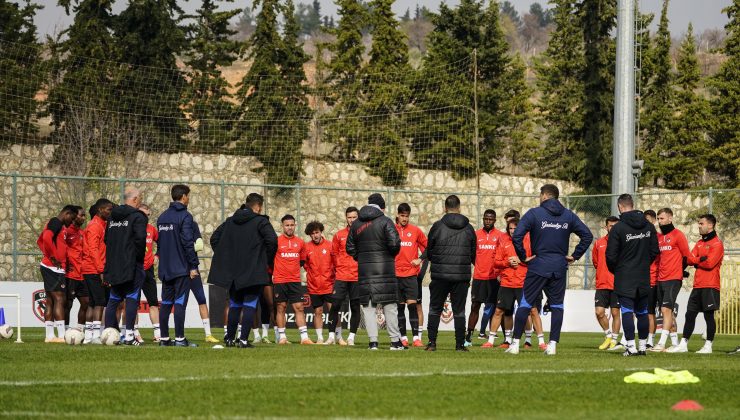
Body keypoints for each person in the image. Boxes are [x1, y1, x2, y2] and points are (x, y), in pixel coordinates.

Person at [507, 184, 593, 355]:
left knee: (525, 303)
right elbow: (587, 235)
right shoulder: (568, 215)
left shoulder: (535, 213)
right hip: (559, 268)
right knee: (557, 306)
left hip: (538, 265)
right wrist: (574, 255)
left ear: (545, 196)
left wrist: (523, 256)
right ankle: (552, 345)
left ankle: (515, 344)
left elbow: (517, 235)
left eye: (540, 195)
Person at [209, 193, 277, 347]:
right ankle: (244, 340)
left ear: (246, 204)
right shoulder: (261, 221)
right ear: (258, 207)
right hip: (253, 270)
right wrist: (265, 261)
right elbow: (272, 241)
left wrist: (226, 258)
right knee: (250, 304)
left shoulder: (230, 221)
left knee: (235, 304)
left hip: (233, 272)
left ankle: (230, 339)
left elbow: (214, 239)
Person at [346, 193, 403, 350]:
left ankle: (373, 342)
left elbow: (349, 248)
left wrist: (362, 258)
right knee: (389, 306)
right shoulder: (385, 221)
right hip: (385, 270)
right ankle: (395, 342)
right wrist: (388, 256)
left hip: (365, 271)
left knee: (369, 307)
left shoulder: (356, 224)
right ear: (382, 207)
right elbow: (395, 244)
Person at [605, 194, 660, 356]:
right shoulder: (649, 227)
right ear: (633, 205)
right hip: (643, 276)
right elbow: (654, 251)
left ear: (620, 207)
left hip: (624, 276)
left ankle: (631, 347)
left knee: (627, 311)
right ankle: (642, 347)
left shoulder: (618, 228)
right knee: (642, 311)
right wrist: (643, 264)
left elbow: (610, 256)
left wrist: (618, 269)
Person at [424, 195, 477, 352]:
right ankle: (460, 345)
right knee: (459, 311)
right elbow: (474, 254)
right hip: (461, 275)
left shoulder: (437, 226)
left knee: (435, 308)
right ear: (459, 208)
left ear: (444, 208)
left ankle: (432, 343)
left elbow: (430, 250)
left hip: (440, 275)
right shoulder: (469, 228)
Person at [667, 214, 724, 354]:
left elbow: (710, 263)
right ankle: (683, 344)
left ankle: (708, 346)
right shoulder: (699, 243)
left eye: (701, 223)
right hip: (697, 285)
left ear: (710, 225)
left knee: (708, 316)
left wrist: (697, 261)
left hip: (710, 285)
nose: (699, 226)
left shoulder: (717, 244)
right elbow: (689, 259)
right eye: (699, 223)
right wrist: (700, 259)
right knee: (689, 315)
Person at [103, 188, 147, 346]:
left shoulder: (111, 217)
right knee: (132, 297)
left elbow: (107, 239)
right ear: (134, 199)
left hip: (114, 264)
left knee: (113, 299)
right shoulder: (137, 217)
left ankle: (108, 333)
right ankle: (129, 336)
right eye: (140, 198)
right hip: (131, 264)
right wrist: (137, 258)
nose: (140, 201)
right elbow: (140, 239)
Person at [156, 184, 199, 347]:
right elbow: (188, 242)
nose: (189, 199)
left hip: (166, 269)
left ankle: (164, 339)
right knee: (180, 302)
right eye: (188, 196)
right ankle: (180, 339)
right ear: (183, 197)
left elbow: (160, 245)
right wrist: (193, 265)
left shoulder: (162, 217)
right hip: (181, 268)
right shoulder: (185, 216)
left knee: (166, 303)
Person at [651, 208, 698, 352]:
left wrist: (687, 267)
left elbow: (687, 256)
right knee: (668, 312)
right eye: (658, 219)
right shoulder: (659, 238)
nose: (659, 221)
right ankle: (676, 343)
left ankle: (661, 343)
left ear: (670, 219)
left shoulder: (678, 235)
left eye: (662, 218)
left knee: (665, 309)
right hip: (660, 279)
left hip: (673, 279)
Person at [485, 217, 533, 349]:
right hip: (506, 283)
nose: (512, 231)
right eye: (510, 228)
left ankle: (528, 341)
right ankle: (498, 340)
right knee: (501, 311)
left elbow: (533, 259)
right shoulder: (503, 241)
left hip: (522, 282)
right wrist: (508, 262)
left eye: (515, 228)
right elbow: (496, 261)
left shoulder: (528, 240)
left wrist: (520, 260)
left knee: (525, 312)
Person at [37, 205, 76, 343]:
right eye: (72, 218)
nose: (71, 222)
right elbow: (46, 237)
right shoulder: (56, 222)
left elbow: (40, 241)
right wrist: (53, 257)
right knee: (60, 299)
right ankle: (60, 335)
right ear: (67, 213)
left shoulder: (58, 225)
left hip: (51, 267)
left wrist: (51, 255)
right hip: (53, 268)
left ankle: (49, 336)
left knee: (51, 300)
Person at [273, 214, 313, 345]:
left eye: (292, 225)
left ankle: (304, 338)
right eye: (287, 225)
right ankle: (282, 337)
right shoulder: (276, 241)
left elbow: (302, 261)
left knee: (299, 307)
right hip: (280, 280)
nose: (290, 227)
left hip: (295, 280)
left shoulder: (300, 242)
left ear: (295, 225)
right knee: (281, 307)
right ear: (282, 226)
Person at [325, 207, 361, 346]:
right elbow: (333, 254)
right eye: (349, 217)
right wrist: (339, 268)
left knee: (355, 307)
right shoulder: (339, 235)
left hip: (357, 277)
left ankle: (351, 337)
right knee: (335, 305)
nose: (352, 220)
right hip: (341, 276)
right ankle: (331, 337)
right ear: (346, 218)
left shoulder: (362, 234)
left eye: (354, 217)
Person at [466, 209, 501, 347]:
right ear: (483, 219)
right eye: (486, 218)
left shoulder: (500, 236)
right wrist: (480, 266)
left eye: (490, 219)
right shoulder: (476, 235)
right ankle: (468, 337)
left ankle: (504, 339)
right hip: (479, 278)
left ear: (495, 220)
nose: (488, 221)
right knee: (475, 306)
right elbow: (471, 255)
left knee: (498, 308)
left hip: (494, 278)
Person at [394, 203, 427, 347]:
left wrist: (420, 259)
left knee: (412, 306)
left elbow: (428, 247)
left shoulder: (415, 231)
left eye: (406, 216)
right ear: (397, 215)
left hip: (411, 275)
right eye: (402, 216)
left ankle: (416, 338)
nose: (404, 219)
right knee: (399, 307)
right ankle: (403, 337)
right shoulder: (391, 230)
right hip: (395, 275)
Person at [81, 199, 113, 344]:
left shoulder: (101, 224)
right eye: (108, 209)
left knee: (93, 303)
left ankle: (88, 336)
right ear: (100, 210)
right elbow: (93, 250)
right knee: (99, 302)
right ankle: (95, 336)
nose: (110, 212)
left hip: (92, 268)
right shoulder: (95, 226)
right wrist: (101, 270)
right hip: (93, 268)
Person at [303, 221, 335, 344]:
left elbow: (335, 262)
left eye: (317, 232)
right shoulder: (307, 247)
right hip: (314, 285)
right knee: (318, 311)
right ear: (309, 235)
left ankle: (336, 337)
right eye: (312, 234)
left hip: (329, 284)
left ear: (321, 232)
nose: (315, 235)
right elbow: (305, 265)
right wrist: (313, 275)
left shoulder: (330, 245)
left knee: (333, 310)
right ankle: (320, 338)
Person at [593, 216, 621, 350]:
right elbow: (596, 262)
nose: (613, 228)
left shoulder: (622, 243)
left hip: (617, 284)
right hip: (602, 283)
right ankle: (608, 335)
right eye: (611, 226)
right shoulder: (599, 243)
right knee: (599, 312)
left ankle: (614, 340)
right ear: (606, 227)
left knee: (616, 313)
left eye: (616, 225)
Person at [190, 221, 219, 343]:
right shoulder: (173, 224)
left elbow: (200, 244)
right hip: (181, 269)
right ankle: (175, 335)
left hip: (190, 268)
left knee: (201, 300)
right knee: (177, 302)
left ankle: (208, 334)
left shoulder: (192, 224)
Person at [138, 204, 161, 342]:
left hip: (148, 270)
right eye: (143, 214)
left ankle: (157, 334)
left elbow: (161, 243)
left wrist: (157, 256)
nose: (145, 217)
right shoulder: (132, 228)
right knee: (133, 303)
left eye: (147, 215)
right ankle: (134, 332)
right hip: (134, 270)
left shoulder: (152, 229)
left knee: (153, 302)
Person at [64, 206, 87, 331]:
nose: (83, 218)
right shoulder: (67, 231)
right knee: (68, 304)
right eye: (81, 215)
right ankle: (66, 330)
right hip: (70, 274)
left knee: (86, 302)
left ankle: (79, 329)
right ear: (74, 216)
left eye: (84, 216)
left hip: (82, 274)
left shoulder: (82, 233)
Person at [644, 209, 660, 348]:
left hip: (654, 281)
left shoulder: (659, 238)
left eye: (649, 220)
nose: (647, 223)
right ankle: (627, 339)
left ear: (654, 221)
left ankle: (650, 340)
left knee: (650, 312)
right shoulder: (641, 237)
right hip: (640, 279)